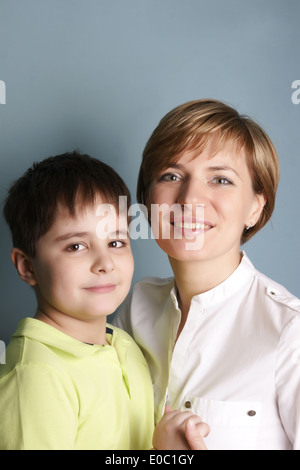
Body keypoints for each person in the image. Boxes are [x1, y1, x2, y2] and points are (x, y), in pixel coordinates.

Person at [114, 99, 300, 450]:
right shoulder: (133, 308)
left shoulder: (290, 332)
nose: (190, 199)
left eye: (221, 179)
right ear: (147, 199)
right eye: (171, 176)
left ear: (256, 206)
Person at [0, 151, 208, 450]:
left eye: (116, 242)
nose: (105, 262)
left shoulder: (125, 346)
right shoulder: (35, 375)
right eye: (76, 246)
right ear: (27, 266)